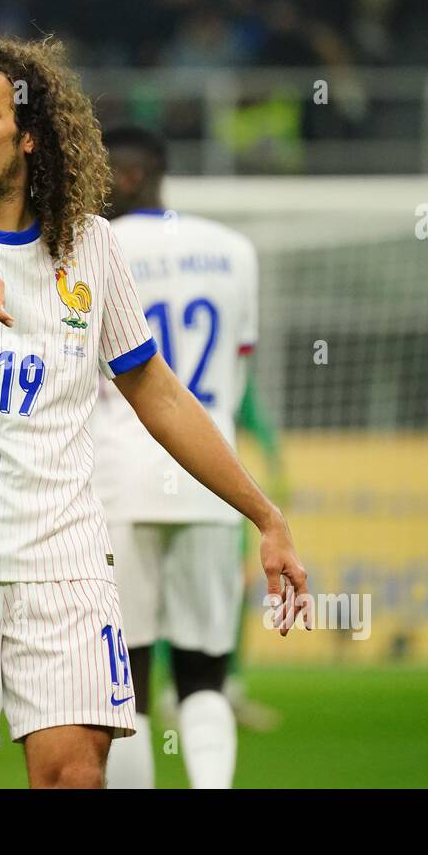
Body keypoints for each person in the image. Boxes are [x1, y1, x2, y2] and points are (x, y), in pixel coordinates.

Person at [0, 36, 309, 789]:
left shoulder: (92, 246)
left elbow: (158, 394)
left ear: (29, 134)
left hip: (61, 562)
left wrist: (266, 517)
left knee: (75, 777)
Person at [93, 126, 280, 789]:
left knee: (127, 678)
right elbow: (237, 366)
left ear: (128, 175)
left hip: (119, 476)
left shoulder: (91, 245)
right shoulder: (233, 250)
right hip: (211, 477)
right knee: (206, 670)